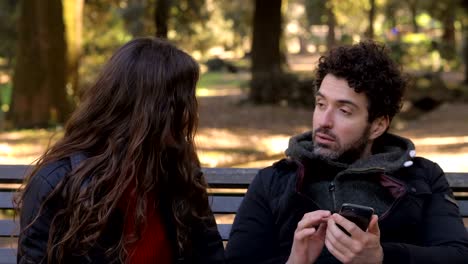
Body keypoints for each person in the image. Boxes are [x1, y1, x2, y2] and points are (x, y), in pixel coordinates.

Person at [225, 41, 468, 263]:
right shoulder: (275, 181)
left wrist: (381, 258)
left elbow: (457, 255)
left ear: (377, 126)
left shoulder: (422, 177)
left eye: (344, 111)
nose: (324, 121)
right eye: (321, 104)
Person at [17, 37, 224, 263]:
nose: (189, 115)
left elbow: (210, 257)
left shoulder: (179, 172)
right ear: (147, 110)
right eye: (179, 103)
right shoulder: (57, 183)